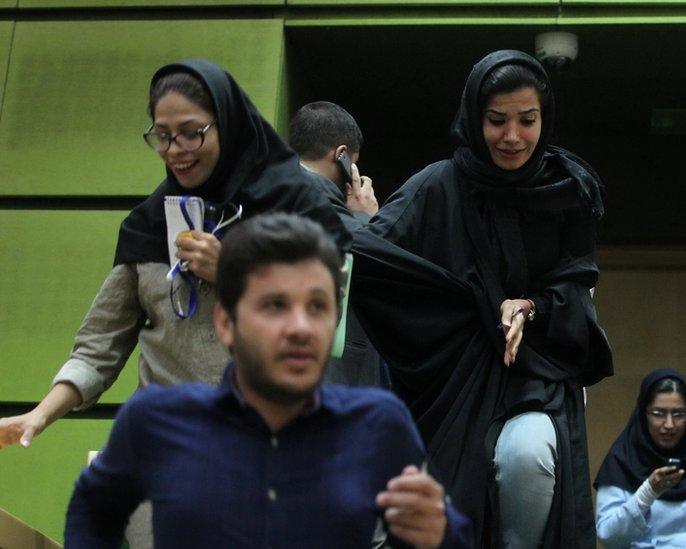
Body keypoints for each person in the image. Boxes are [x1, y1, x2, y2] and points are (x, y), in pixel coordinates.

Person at [0, 59, 350, 450]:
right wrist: (39, 415)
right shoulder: (148, 224)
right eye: (162, 136)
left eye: (190, 133)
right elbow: (97, 349)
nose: (175, 150)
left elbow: (326, 326)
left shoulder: (293, 211)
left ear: (228, 125)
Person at [65, 213, 470, 548]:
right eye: (275, 305)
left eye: (317, 307)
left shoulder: (378, 426)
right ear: (226, 322)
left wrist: (439, 536)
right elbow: (91, 509)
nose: (300, 327)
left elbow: (446, 535)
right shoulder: (156, 422)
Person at [350, 50, 613, 547]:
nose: (512, 137)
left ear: (544, 120)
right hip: (452, 381)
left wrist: (529, 307)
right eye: (496, 121)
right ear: (475, 118)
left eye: (527, 120)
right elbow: (373, 255)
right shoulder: (438, 185)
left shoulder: (569, 190)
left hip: (535, 370)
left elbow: (576, 288)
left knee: (528, 458)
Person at [289, 101, 389, 388]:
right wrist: (365, 216)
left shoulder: (275, 186)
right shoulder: (313, 191)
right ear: (342, 155)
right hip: (328, 373)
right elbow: (365, 258)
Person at [593, 369, 686, 548]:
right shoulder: (623, 460)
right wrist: (648, 492)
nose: (669, 424)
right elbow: (608, 536)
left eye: (678, 414)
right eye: (658, 413)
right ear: (643, 413)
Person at [289, 100, 378, 218]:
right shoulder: (322, 203)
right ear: (341, 153)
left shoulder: (267, 178)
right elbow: (354, 237)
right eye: (353, 164)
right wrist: (363, 215)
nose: (352, 176)